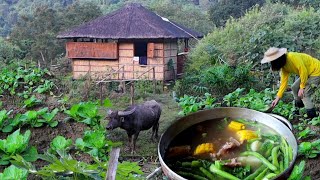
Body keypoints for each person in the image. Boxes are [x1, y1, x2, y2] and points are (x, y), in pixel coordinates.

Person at [261, 47, 320, 119]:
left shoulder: (292, 57)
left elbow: (303, 71)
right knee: (294, 87)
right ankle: (299, 108)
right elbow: (283, 83)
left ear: (278, 60)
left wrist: (302, 87)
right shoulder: (284, 67)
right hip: (308, 73)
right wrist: (277, 98)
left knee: (305, 93)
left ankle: (312, 117)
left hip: (316, 71)